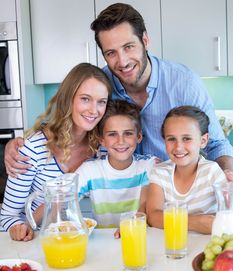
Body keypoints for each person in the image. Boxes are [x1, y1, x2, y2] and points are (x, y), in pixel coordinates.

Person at [4, 3, 233, 177]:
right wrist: (19, 145)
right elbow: (65, 122)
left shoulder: (184, 83)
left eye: (128, 47)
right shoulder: (101, 85)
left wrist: (227, 174)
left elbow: (216, 143)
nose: (122, 61)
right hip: (118, 196)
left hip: (172, 193)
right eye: (111, 52)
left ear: (145, 40)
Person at [0, 63, 112, 241]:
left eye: (101, 102)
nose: (94, 110)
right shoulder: (33, 149)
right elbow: (7, 216)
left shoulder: (104, 148)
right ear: (68, 99)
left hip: (88, 242)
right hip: (38, 243)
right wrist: (18, 228)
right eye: (85, 99)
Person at [76, 99, 158, 235]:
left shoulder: (148, 165)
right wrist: (30, 224)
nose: (121, 141)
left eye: (128, 133)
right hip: (104, 243)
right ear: (101, 139)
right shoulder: (90, 170)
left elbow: (145, 205)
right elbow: (63, 198)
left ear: (139, 136)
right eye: (112, 134)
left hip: (139, 239)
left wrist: (133, 224)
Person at [146, 105, 227, 234]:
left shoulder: (212, 171)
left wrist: (171, 220)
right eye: (171, 139)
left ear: (203, 140)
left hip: (204, 247)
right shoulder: (159, 172)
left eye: (187, 139)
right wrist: (196, 222)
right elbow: (153, 217)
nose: (178, 147)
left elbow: (227, 214)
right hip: (170, 246)